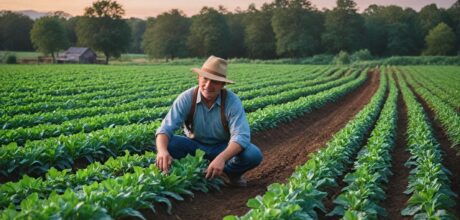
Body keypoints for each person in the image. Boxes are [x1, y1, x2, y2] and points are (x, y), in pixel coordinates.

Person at [155, 55, 263, 187]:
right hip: (194, 146)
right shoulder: (187, 98)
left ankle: (230, 173)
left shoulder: (232, 101)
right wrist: (162, 151)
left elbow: (241, 136)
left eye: (215, 81)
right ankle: (192, 170)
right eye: (205, 79)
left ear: (223, 85)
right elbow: (165, 128)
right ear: (198, 78)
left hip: (222, 147)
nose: (208, 85)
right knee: (166, 142)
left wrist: (221, 158)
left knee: (253, 154)